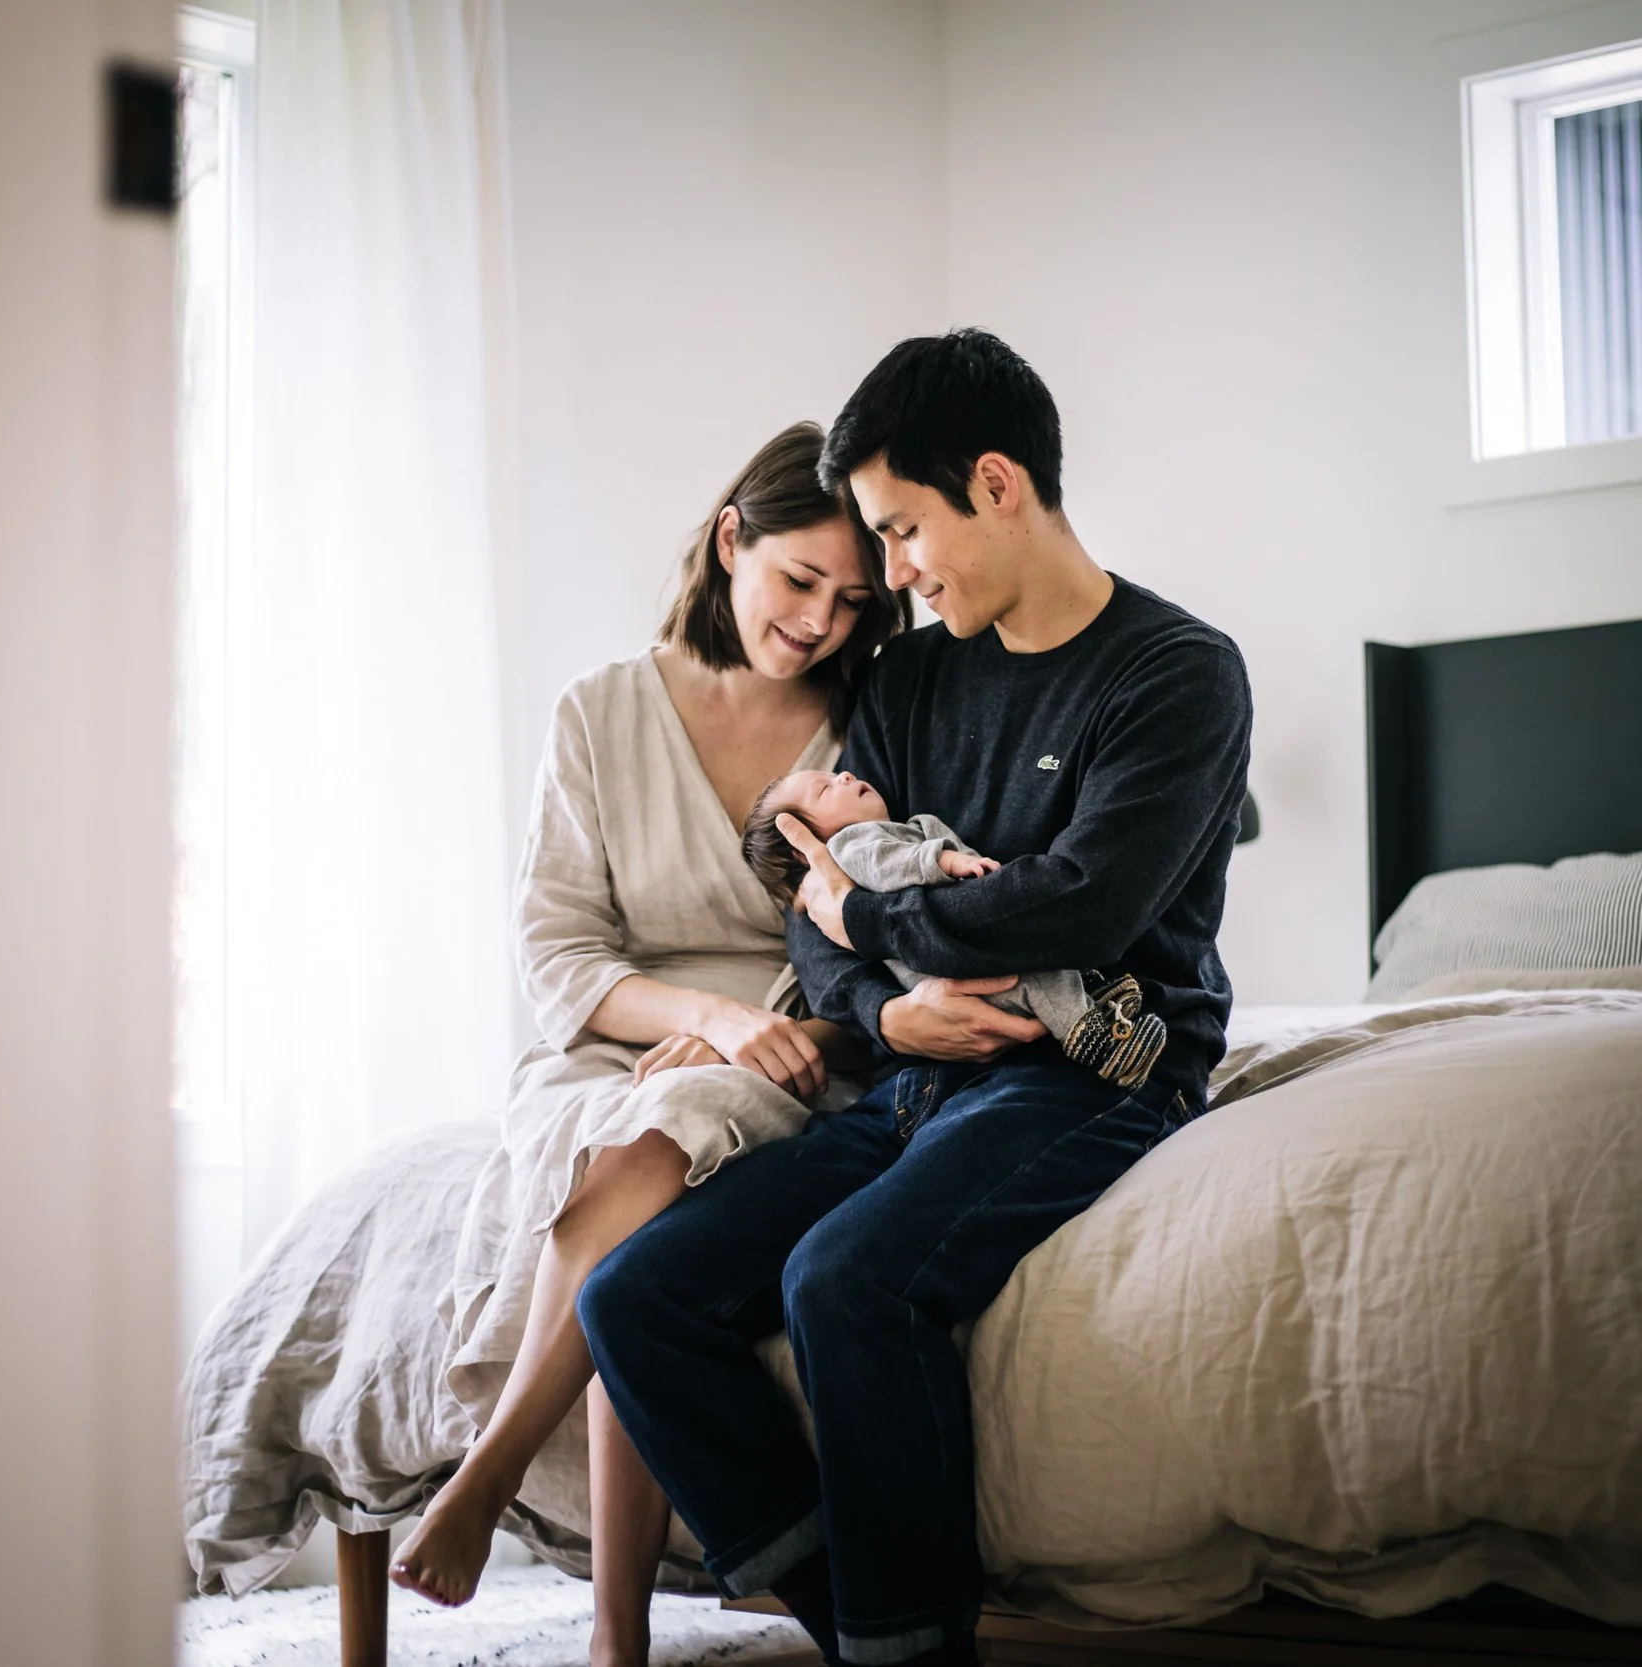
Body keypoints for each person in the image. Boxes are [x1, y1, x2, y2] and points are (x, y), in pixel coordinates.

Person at [578, 329, 1254, 1667]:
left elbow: (1078, 904)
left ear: (997, 484)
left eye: (900, 531)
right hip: (906, 1073)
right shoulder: (909, 675)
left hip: (1091, 1071)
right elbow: (808, 905)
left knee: (846, 1279)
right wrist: (886, 1011)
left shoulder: (1178, 671)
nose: (889, 578)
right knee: (630, 1297)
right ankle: (880, 1629)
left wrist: (871, 919)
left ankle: (901, 1635)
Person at [388, 421, 905, 1667]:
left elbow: (877, 928)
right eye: (797, 580)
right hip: (619, 1042)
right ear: (732, 538)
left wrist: (753, 1032)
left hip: (795, 1047)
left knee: (665, 1153)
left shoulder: (873, 720)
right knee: (634, 1138)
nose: (820, 621)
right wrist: (699, 1019)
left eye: (850, 599)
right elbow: (558, 953)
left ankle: (510, 1480)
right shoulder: (599, 712)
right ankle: (609, 1628)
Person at [739, 767, 1166, 1087]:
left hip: (962, 956)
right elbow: (892, 865)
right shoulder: (851, 847)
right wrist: (947, 861)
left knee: (1042, 968)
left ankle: (1090, 1001)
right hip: (955, 974)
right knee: (1034, 977)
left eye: (835, 774)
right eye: (825, 788)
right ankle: (1098, 1041)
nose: (845, 774)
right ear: (804, 849)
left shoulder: (900, 829)